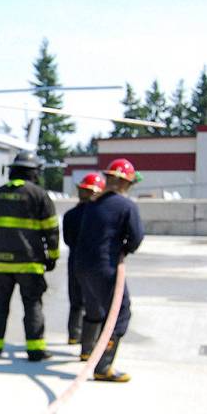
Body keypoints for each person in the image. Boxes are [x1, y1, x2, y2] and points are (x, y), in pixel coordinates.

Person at [0, 151, 60, 362]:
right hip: (29, 265)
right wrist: (52, 257)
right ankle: (35, 351)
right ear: (34, 172)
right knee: (32, 305)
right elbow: (51, 230)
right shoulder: (39, 195)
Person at [74, 158, 144, 382]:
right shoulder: (126, 206)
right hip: (106, 267)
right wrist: (124, 248)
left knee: (96, 309)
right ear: (126, 183)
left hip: (82, 267)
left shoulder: (92, 203)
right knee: (120, 313)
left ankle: (88, 351)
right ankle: (103, 366)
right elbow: (136, 238)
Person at [63, 172, 106, 344]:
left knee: (75, 299)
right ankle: (89, 340)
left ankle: (74, 335)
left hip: (75, 259)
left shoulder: (70, 215)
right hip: (94, 262)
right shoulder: (100, 215)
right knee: (94, 302)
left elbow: (67, 240)